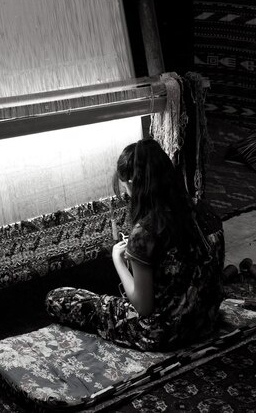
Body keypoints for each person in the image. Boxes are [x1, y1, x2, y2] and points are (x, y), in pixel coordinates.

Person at [45, 138, 225, 351]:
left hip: (161, 333)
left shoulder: (145, 233)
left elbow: (144, 307)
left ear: (131, 182)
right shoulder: (206, 211)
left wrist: (118, 260)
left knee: (57, 298)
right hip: (206, 322)